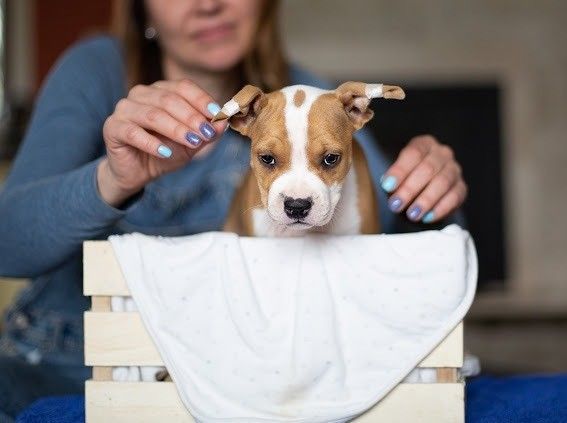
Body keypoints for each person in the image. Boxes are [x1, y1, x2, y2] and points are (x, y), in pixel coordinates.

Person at [0, 0, 467, 420]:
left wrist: (434, 193)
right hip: (60, 367)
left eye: (326, 159)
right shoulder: (95, 70)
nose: (209, 4)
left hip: (237, 386)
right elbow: (7, 244)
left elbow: (388, 233)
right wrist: (114, 178)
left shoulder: (317, 99)